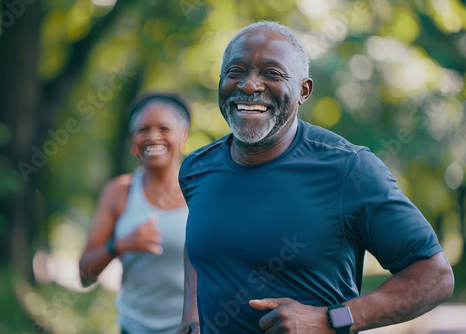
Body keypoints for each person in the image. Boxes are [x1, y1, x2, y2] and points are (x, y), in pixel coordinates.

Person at [176, 21, 454, 334]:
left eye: (271, 73)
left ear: (304, 91)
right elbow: (199, 244)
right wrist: (191, 314)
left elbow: (435, 276)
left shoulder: (350, 169)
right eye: (236, 70)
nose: (249, 85)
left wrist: (330, 319)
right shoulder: (196, 169)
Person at [79, 92, 190, 334]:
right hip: (133, 328)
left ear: (183, 136)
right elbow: (84, 274)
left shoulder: (201, 193)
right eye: (143, 129)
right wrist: (120, 245)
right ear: (133, 140)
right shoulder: (118, 192)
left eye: (164, 128)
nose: (153, 137)